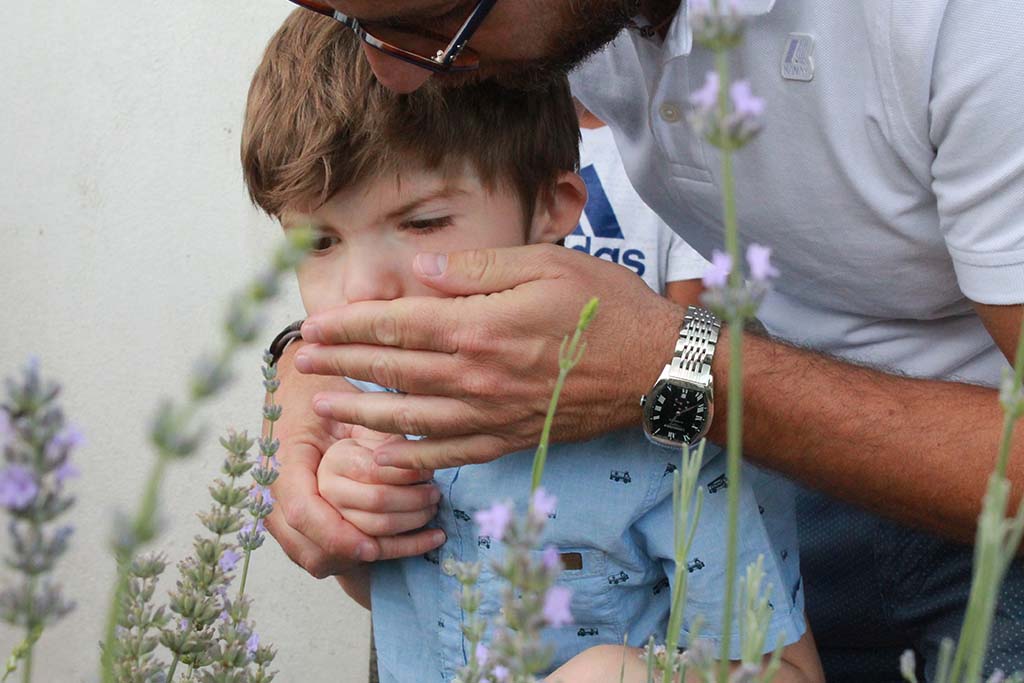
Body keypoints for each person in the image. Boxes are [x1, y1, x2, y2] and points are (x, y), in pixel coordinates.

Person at [263, 1, 1024, 680]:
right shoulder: (524, 43)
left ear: (560, 206)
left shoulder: (968, 29)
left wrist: (674, 371)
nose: (397, 72)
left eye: (433, 25)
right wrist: (316, 430)